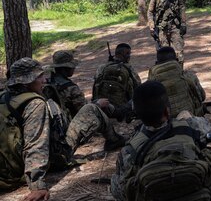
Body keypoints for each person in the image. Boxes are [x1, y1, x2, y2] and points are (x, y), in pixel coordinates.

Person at [1, 57, 125, 201]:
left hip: (7, 170)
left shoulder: (4, 97)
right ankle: (114, 140)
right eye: (39, 76)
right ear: (28, 80)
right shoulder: (34, 104)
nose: (44, 80)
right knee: (91, 109)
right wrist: (37, 185)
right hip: (46, 161)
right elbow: (35, 144)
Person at [111, 80, 211, 201]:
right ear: (166, 111)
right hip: (196, 193)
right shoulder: (192, 126)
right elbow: (208, 127)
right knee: (210, 158)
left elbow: (122, 192)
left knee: (117, 180)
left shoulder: (129, 150)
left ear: (138, 115)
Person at [44, 50, 110, 121]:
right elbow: (85, 111)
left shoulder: (47, 83)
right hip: (71, 123)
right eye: (72, 66)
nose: (74, 68)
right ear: (66, 68)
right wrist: (98, 104)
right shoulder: (71, 88)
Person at [147, 46, 205, 117]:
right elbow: (202, 97)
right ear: (177, 60)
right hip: (190, 121)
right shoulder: (189, 77)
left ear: (156, 63)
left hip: (165, 125)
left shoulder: (150, 85)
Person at [147, 0, 187, 64]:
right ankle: (166, 75)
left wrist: (183, 23)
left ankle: (179, 72)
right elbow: (150, 12)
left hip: (175, 27)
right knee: (164, 54)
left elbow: (182, 8)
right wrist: (151, 26)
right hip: (162, 28)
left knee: (179, 52)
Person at [92, 43, 141, 110]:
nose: (129, 56)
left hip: (102, 105)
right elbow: (138, 85)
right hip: (122, 107)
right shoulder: (129, 68)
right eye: (128, 54)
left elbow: (96, 84)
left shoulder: (102, 67)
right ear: (123, 54)